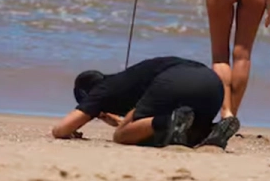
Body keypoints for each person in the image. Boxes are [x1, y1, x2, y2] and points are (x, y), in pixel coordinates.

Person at [51, 56, 240, 149]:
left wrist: (96, 115)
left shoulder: (102, 89)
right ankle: (212, 129)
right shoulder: (125, 80)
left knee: (121, 136)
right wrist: (113, 118)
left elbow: (61, 130)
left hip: (174, 80)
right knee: (187, 131)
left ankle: (168, 120)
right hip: (212, 83)